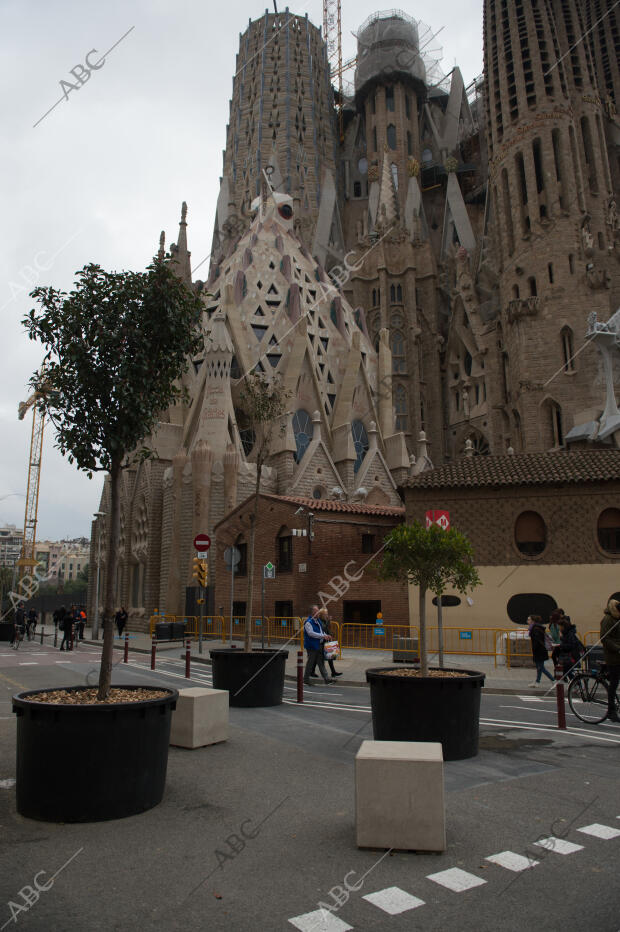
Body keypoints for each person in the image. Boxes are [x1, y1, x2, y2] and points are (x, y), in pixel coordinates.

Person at [600, 598, 620, 723]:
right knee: (614, 683)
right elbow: (604, 638)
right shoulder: (608, 619)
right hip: (613, 656)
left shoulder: (617, 619)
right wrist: (618, 648)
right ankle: (611, 710)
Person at [303, 605, 333, 686]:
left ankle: (327, 679)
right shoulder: (308, 622)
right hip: (312, 646)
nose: (318, 612)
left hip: (319, 645)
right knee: (310, 663)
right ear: (312, 612)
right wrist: (323, 636)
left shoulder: (318, 621)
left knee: (321, 662)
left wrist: (326, 635)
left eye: (318, 611)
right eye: (316, 611)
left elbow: (320, 631)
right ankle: (306, 679)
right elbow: (311, 633)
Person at [310, 609, 342, 678]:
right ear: (321, 615)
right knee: (318, 658)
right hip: (321, 642)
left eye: (327, 614)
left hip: (326, 640)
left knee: (330, 656)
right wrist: (328, 621)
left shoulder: (324, 621)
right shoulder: (320, 621)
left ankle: (333, 672)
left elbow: (327, 629)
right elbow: (323, 628)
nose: (327, 615)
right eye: (325, 614)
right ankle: (312, 671)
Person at [527, 615, 554, 687]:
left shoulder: (535, 629)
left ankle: (553, 680)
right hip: (540, 650)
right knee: (539, 667)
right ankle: (537, 682)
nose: (527, 621)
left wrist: (534, 649)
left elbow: (537, 641)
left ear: (533, 621)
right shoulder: (536, 628)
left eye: (529, 620)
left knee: (541, 668)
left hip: (539, 651)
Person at [553, 616, 582, 681]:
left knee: (566, 672)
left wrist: (560, 645)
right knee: (568, 672)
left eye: (559, 626)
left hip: (570, 657)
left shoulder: (569, 634)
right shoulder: (566, 634)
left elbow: (570, 645)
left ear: (563, 627)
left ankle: (576, 685)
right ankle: (575, 685)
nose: (558, 628)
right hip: (567, 657)